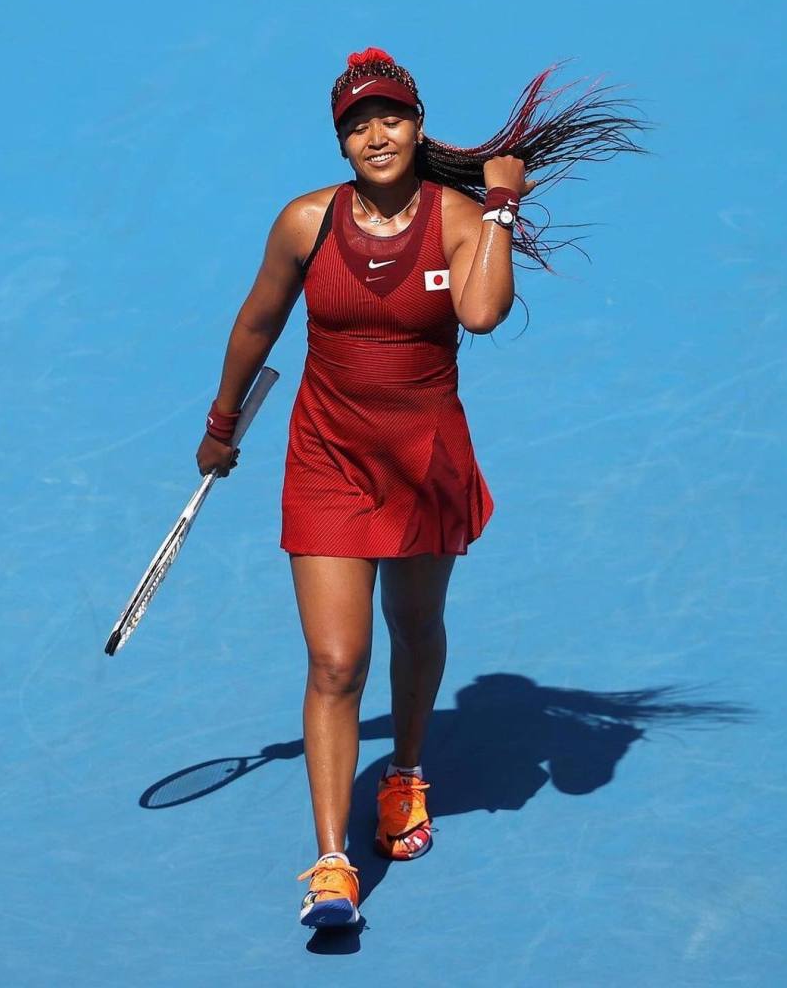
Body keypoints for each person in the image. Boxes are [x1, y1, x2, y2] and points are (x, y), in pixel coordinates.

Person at [195, 47, 648, 929]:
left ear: (418, 124)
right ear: (341, 141)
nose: (377, 134)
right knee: (336, 660)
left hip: (425, 462)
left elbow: (481, 313)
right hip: (328, 458)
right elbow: (257, 321)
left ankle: (404, 774)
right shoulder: (306, 224)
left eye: (391, 117)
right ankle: (331, 865)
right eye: (358, 124)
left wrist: (504, 204)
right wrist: (220, 426)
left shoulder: (460, 218)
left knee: (414, 627)